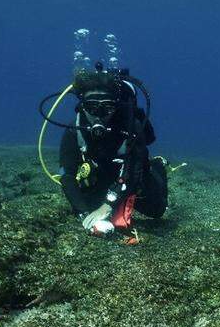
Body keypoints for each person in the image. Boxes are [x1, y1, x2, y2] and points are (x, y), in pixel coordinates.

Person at [59, 65, 168, 240]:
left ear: (116, 106)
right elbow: (67, 174)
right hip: (104, 174)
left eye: (107, 107)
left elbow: (134, 169)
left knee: (156, 210)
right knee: (88, 202)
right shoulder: (74, 129)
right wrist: (83, 213)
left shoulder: (131, 126)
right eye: (92, 107)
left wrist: (108, 205)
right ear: (82, 106)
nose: (99, 115)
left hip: (130, 173)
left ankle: (158, 165)